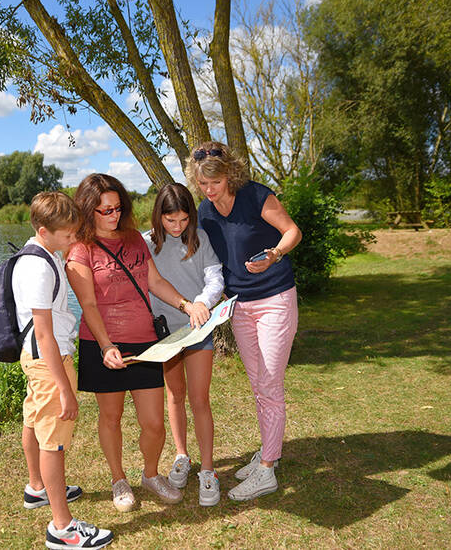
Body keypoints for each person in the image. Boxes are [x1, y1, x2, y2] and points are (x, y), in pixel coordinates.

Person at [65, 173, 209, 512]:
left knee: (154, 422)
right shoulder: (79, 250)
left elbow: (154, 281)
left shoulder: (133, 239)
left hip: (145, 343)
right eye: (105, 211)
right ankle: (118, 479)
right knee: (111, 417)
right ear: (88, 210)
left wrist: (186, 305)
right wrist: (105, 346)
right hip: (103, 344)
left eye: (118, 208)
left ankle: (150, 474)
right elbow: (88, 304)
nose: (114, 216)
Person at [185, 141, 302, 502]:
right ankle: (269, 453)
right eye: (203, 184)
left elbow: (292, 231)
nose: (209, 191)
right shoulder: (205, 212)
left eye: (215, 182)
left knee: (269, 383)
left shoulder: (255, 196)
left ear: (229, 175)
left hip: (275, 299)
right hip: (240, 307)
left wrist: (275, 254)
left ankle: (267, 469)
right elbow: (206, 258)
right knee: (258, 384)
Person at [12, 192, 113, 549]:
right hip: (49, 361)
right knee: (54, 441)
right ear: (44, 230)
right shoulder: (39, 267)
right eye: (68, 234)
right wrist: (65, 389)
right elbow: (44, 332)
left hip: (36, 358)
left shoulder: (37, 253)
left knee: (34, 420)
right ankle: (63, 527)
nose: (74, 239)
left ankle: (36, 488)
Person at [144, 183, 225, 506]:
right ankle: (182, 455)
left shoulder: (200, 238)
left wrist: (203, 302)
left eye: (182, 220)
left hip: (198, 329)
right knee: (175, 395)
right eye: (170, 221)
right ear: (158, 217)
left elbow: (215, 276)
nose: (177, 227)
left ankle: (208, 469)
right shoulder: (146, 242)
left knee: (199, 398)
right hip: (165, 333)